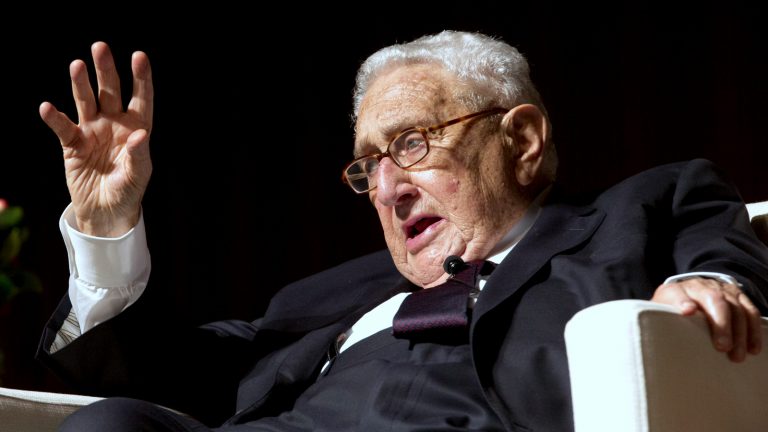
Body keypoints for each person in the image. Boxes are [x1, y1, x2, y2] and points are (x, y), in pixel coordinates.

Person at [37, 31, 768, 432]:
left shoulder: (635, 211)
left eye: (412, 144)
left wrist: (707, 281)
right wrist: (109, 225)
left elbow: (716, 248)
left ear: (522, 141)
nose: (385, 188)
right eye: (367, 167)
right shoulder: (326, 297)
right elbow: (164, 370)